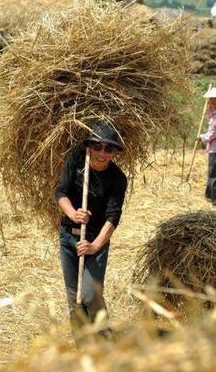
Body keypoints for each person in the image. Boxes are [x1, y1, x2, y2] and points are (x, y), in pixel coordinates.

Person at [55, 121, 128, 333]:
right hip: (68, 238)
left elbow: (113, 217)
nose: (102, 153)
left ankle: (103, 336)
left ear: (115, 152)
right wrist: (73, 213)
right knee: (74, 297)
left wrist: (94, 246)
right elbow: (61, 193)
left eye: (109, 148)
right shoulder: (77, 161)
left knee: (89, 294)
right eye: (97, 146)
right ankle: (82, 344)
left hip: (96, 240)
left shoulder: (118, 179)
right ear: (89, 146)